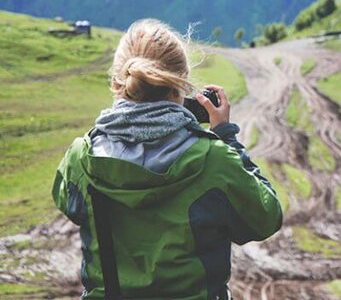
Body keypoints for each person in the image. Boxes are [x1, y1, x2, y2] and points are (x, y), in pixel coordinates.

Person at [52, 18, 282, 299]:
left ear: (118, 83)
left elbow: (67, 202)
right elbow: (265, 219)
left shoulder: (82, 157)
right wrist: (227, 136)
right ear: (181, 87)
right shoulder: (214, 159)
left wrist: (107, 128)